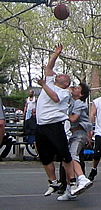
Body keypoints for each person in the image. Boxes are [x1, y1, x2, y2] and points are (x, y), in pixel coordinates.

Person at [35, 44, 77, 200]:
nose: (59, 74)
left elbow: (55, 98)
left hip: (54, 125)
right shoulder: (51, 80)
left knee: (64, 155)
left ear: (66, 83)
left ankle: (72, 182)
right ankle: (53, 182)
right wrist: (56, 54)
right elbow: (50, 66)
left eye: (63, 75)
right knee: (44, 157)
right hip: (41, 126)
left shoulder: (65, 92)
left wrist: (44, 85)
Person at [66, 83, 93, 196]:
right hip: (73, 134)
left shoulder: (79, 103)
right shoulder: (73, 101)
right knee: (66, 161)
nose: (74, 88)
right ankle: (69, 189)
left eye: (77, 88)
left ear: (81, 94)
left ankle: (82, 178)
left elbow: (74, 118)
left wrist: (60, 114)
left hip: (79, 134)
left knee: (73, 156)